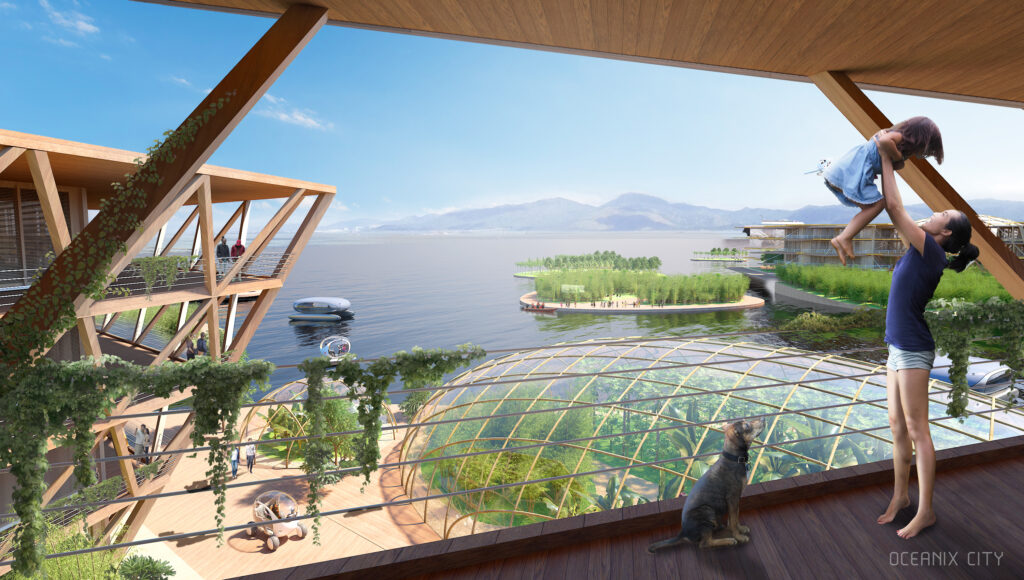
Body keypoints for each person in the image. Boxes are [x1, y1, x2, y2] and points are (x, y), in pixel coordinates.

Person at [874, 152, 978, 539]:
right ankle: (901, 497)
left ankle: (927, 511)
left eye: (941, 214)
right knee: (896, 425)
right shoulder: (922, 246)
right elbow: (903, 215)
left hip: (914, 349)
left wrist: (886, 157)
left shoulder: (930, 250)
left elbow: (895, 205)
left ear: (946, 233)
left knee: (919, 431)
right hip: (895, 347)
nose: (934, 212)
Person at [822, 116, 944, 266]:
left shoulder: (900, 145)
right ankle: (844, 238)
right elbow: (885, 142)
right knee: (878, 204)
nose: (923, 152)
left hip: (853, 171)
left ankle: (844, 238)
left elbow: (896, 165)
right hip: (852, 170)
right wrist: (897, 156)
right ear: (919, 137)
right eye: (926, 147)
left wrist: (898, 159)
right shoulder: (898, 136)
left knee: (871, 208)